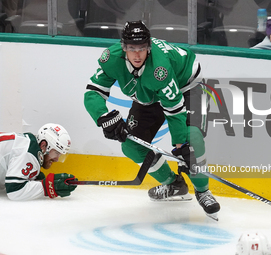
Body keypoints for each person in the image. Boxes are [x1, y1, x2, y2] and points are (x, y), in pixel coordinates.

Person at [84, 20, 220, 219]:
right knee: (131, 146)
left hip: (186, 86)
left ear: (149, 47)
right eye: (132, 48)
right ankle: (174, 184)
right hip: (148, 94)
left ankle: (202, 190)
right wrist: (103, 116)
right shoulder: (111, 58)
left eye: (142, 48)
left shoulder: (160, 67)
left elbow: (174, 108)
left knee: (192, 140)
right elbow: (93, 91)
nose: (137, 54)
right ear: (123, 47)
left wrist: (181, 143)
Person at [0, 123, 77, 201]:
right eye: (56, 153)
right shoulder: (29, 152)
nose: (57, 159)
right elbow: (14, 191)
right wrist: (46, 187)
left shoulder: (28, 143)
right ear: (44, 145)